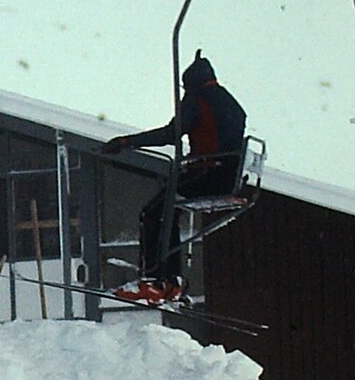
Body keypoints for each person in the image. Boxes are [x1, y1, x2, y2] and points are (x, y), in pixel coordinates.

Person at [102, 53, 247, 304]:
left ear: (190, 83)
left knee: (152, 213)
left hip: (208, 174)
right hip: (228, 176)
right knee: (167, 213)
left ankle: (153, 280)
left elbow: (171, 134)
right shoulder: (230, 102)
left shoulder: (197, 98)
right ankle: (172, 280)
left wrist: (127, 142)